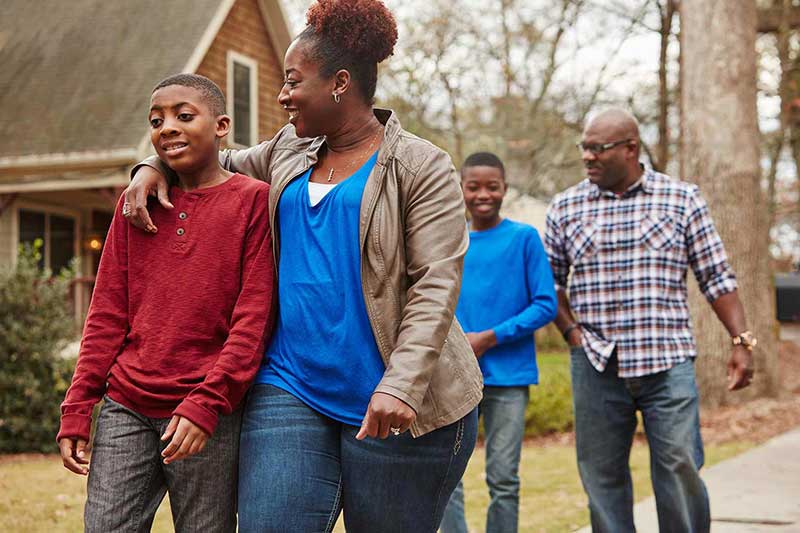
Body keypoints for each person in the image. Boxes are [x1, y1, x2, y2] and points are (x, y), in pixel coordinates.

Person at [123, 1, 483, 531]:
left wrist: (401, 385)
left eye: (294, 81)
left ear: (340, 83)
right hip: (291, 385)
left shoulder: (420, 165)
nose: (282, 94)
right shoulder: (289, 150)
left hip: (395, 397)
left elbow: (437, 282)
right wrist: (152, 164)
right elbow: (212, 159)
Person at [57, 74, 275, 532]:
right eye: (156, 120)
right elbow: (106, 314)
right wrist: (78, 406)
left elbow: (253, 321)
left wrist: (208, 402)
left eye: (184, 116)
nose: (167, 127)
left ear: (221, 125)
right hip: (127, 405)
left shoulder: (254, 203)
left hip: (204, 410)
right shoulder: (135, 205)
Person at [544, 108, 756, 533]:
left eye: (598, 148)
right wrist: (571, 333)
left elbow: (716, 276)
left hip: (667, 362)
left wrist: (741, 340)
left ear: (630, 148)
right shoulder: (565, 207)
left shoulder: (681, 199)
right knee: (601, 476)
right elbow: (550, 284)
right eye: (584, 147)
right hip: (596, 364)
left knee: (679, 466)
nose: (588, 157)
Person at [440, 152, 557, 533]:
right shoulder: (447, 241)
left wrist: (491, 337)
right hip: (454, 381)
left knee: (503, 479)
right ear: (461, 188)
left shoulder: (524, 239)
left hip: (509, 379)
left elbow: (545, 305)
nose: (483, 195)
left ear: (505, 188)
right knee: (446, 480)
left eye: (492, 186)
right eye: (473, 187)